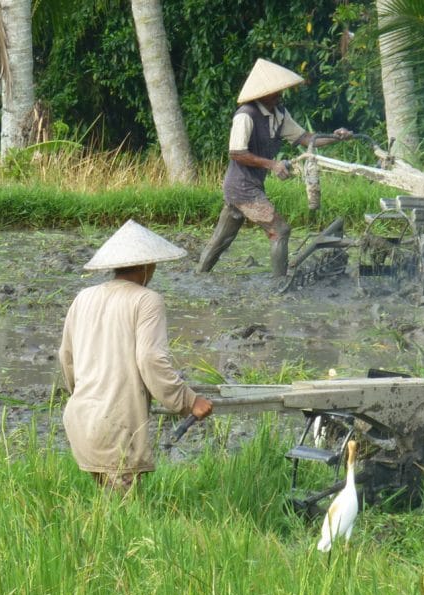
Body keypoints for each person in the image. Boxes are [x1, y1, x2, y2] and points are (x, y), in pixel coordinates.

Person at [59, 219, 213, 493]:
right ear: (146, 266)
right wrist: (189, 401)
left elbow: (66, 357)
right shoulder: (146, 300)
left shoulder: (83, 297)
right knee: (123, 516)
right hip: (117, 424)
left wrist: (86, 395)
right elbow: (151, 360)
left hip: (80, 418)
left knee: (106, 507)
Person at [198, 58, 353, 277]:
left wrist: (337, 138)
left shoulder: (279, 114)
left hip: (251, 185)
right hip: (242, 188)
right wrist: (272, 164)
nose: (281, 94)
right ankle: (279, 283)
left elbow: (307, 138)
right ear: (262, 92)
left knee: (222, 238)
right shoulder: (245, 115)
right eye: (276, 91)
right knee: (280, 231)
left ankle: (200, 274)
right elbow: (236, 152)